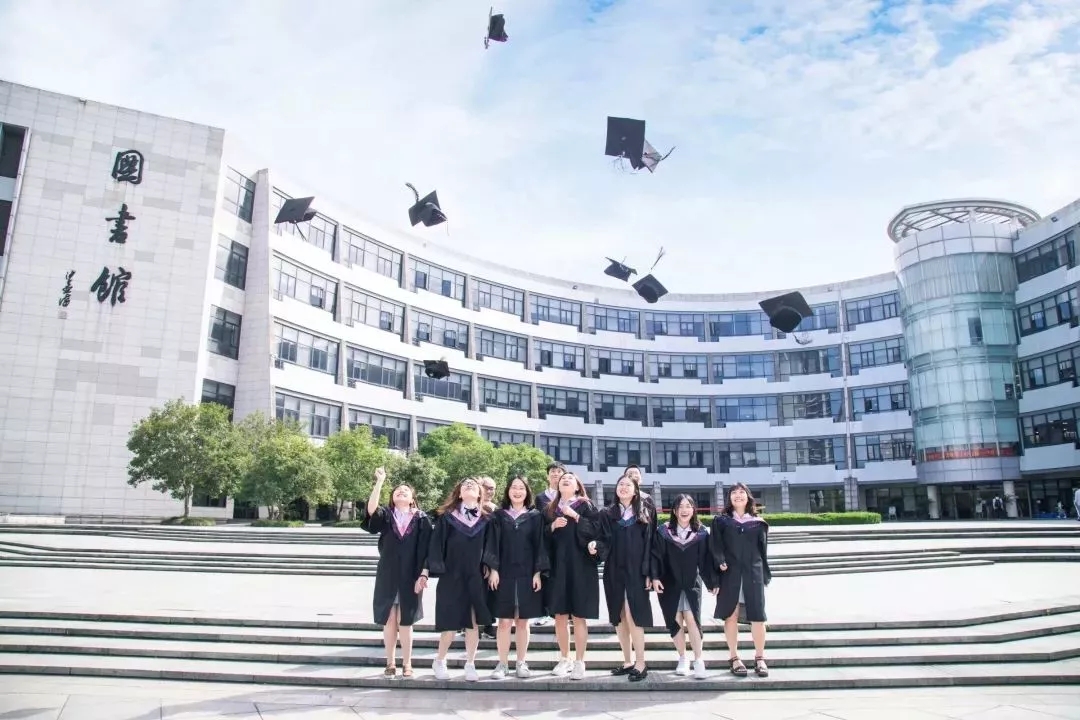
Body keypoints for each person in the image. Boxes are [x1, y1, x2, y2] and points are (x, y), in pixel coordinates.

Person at [360, 467, 432, 679]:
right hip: (388, 573)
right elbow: (371, 510)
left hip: (411, 575)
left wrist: (424, 573)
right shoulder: (386, 515)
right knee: (390, 619)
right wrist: (379, 482)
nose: (401, 491)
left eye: (406, 491)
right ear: (392, 497)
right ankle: (390, 663)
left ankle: (407, 663)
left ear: (412, 499)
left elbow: (427, 549)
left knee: (405, 621)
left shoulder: (421, 518)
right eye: (397, 490)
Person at [426, 478, 495, 682]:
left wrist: (491, 566)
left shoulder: (487, 519)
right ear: (459, 493)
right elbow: (436, 545)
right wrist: (433, 569)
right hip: (452, 574)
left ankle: (470, 663)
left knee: (472, 622)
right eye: (465, 485)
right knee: (450, 622)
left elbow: (492, 545)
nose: (469, 485)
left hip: (476, 574)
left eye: (473, 484)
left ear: (480, 493)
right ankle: (440, 660)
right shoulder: (447, 517)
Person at [485, 476, 547, 679]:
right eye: (514, 487)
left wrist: (538, 572)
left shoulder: (535, 516)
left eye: (521, 488)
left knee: (522, 621)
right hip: (504, 573)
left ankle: (521, 662)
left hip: (527, 573)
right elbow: (492, 543)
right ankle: (502, 664)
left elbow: (540, 545)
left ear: (527, 492)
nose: (517, 491)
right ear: (508, 491)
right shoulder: (498, 516)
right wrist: (493, 569)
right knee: (504, 621)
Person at [652, 493, 717, 680]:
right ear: (674, 511)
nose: (684, 510)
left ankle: (698, 659)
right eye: (680, 506)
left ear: (693, 510)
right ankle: (682, 658)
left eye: (688, 506)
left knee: (692, 618)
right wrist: (655, 577)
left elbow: (705, 560)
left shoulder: (701, 533)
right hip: (669, 582)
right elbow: (656, 556)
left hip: (691, 583)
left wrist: (712, 581)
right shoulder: (663, 532)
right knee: (675, 620)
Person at [596, 473, 654, 682]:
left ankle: (641, 662)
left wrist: (649, 572)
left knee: (633, 614)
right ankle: (628, 661)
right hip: (614, 570)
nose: (624, 487)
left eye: (628, 485)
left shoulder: (645, 513)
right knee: (619, 615)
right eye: (620, 484)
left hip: (637, 571)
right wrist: (596, 546)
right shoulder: (607, 513)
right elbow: (603, 540)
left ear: (636, 491)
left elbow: (651, 544)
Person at [710, 482, 772, 678]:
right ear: (729, 498)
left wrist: (764, 573)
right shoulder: (721, 521)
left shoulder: (758, 523)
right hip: (730, 573)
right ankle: (734, 657)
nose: (738, 495)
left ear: (748, 497)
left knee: (758, 616)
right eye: (734, 493)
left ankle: (760, 658)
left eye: (741, 492)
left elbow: (763, 551)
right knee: (731, 614)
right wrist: (720, 561)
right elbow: (715, 546)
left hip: (753, 573)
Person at [544, 470, 601, 680]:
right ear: (557, 486)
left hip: (581, 567)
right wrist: (552, 526)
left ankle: (579, 661)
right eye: (563, 479)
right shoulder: (550, 509)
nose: (566, 480)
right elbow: (540, 537)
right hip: (558, 567)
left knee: (579, 615)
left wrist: (575, 516)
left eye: (570, 479)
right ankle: (564, 658)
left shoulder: (586, 505)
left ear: (577, 486)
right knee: (559, 615)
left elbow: (596, 531)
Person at [532, 462, 566, 627]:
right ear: (547, 476)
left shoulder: (570, 496)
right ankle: (544, 612)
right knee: (546, 577)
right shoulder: (541, 498)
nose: (556, 474)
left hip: (565, 544)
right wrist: (551, 526)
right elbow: (538, 524)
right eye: (553, 471)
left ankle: (565, 610)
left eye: (559, 472)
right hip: (547, 543)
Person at [478, 476, 499, 641]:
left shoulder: (496, 509)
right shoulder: (472, 507)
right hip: (473, 556)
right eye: (487, 487)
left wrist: (490, 563)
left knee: (490, 593)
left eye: (493, 488)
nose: (490, 491)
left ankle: (488, 626)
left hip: (490, 556)